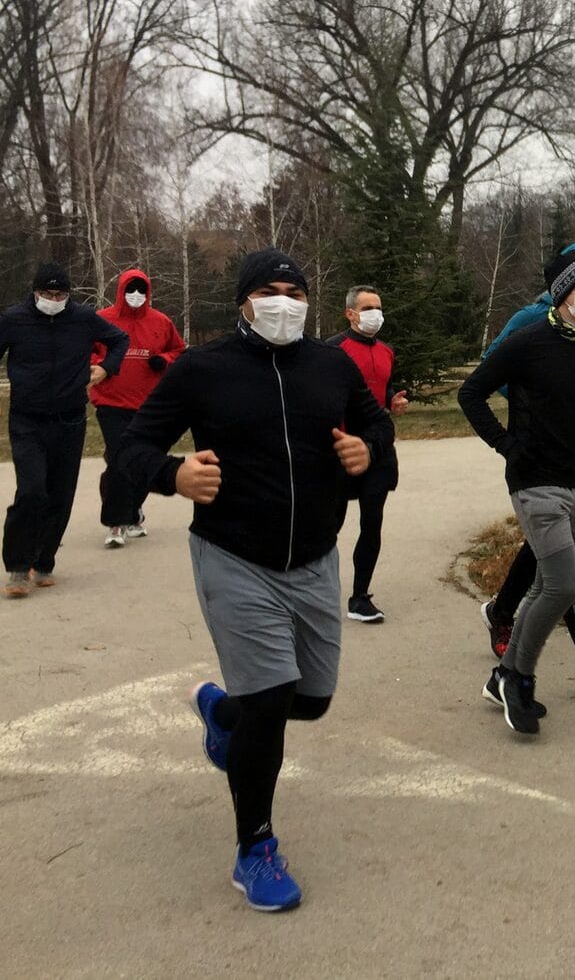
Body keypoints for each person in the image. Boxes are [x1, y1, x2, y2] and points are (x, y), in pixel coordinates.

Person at [119, 248, 394, 912]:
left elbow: (376, 422)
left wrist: (367, 450)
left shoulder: (330, 364)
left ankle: (224, 713)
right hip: (234, 557)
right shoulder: (202, 368)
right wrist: (173, 474)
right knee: (271, 701)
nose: (283, 301)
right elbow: (132, 447)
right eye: (268, 290)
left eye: (294, 290)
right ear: (243, 300)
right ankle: (255, 847)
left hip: (314, 558)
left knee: (312, 699)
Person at [458, 247, 575, 736]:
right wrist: (504, 443)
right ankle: (519, 678)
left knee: (546, 584)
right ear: (563, 292)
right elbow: (471, 392)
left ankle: (503, 677)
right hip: (534, 479)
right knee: (563, 583)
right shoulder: (526, 341)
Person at [0, 262, 128, 597]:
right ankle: (17, 565)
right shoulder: (14, 319)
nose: (54, 299)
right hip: (27, 420)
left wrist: (106, 369)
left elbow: (119, 340)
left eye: (60, 294)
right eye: (47, 293)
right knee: (31, 491)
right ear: (35, 292)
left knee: (60, 495)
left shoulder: (82, 318)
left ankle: (43, 561)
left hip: (70, 419)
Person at [91, 268, 186, 548]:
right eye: (130, 290)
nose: (135, 296)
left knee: (145, 459)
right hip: (111, 401)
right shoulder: (102, 321)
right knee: (121, 458)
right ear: (120, 292)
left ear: (148, 293)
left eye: (141, 291)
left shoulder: (161, 321)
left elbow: (179, 350)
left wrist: (164, 360)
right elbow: (89, 352)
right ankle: (116, 523)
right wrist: (100, 367)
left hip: (148, 404)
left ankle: (133, 512)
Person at [330, 285, 409, 623]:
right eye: (367, 308)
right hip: (339, 448)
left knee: (371, 522)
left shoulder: (387, 350)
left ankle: (360, 597)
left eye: (378, 306)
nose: (375, 313)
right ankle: (314, 590)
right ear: (350, 313)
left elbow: (382, 386)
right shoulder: (333, 349)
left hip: (376, 448)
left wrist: (392, 401)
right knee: (327, 526)